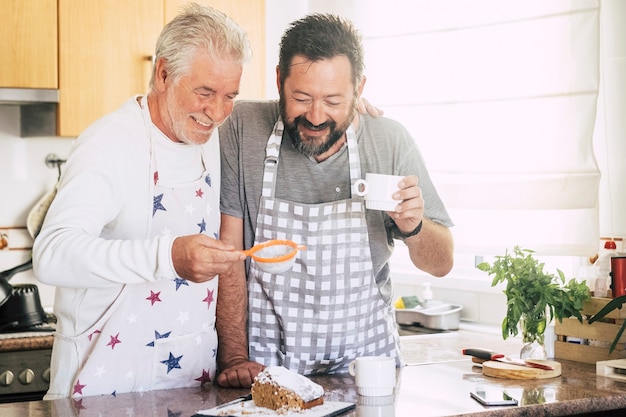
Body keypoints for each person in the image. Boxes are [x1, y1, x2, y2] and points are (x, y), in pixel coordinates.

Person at [216, 13, 454, 386]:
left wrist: (415, 226)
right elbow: (227, 255)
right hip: (266, 374)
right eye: (301, 97)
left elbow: (441, 264)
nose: (315, 115)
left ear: (359, 89)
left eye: (333, 100)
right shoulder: (242, 127)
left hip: (366, 375)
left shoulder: (388, 141)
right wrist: (234, 356)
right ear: (279, 80)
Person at [32, 3, 253, 399]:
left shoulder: (212, 133)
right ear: (163, 72)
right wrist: (166, 257)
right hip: (101, 392)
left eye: (230, 96)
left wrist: (357, 113)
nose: (218, 113)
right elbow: (51, 254)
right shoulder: (109, 143)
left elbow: (294, 111)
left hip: (188, 392)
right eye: (205, 93)